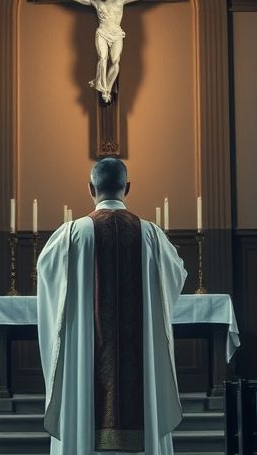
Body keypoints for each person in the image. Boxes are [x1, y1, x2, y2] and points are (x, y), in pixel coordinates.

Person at [36, 158, 187, 454]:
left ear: (91, 188)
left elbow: (46, 276)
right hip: (140, 373)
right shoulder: (151, 235)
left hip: (87, 366)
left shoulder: (71, 235)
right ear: (127, 188)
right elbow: (177, 274)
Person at [48, 0, 172, 103]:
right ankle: (104, 90)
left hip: (117, 34)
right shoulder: (96, 3)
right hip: (102, 32)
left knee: (116, 61)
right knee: (102, 57)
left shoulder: (120, 1)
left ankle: (106, 87)